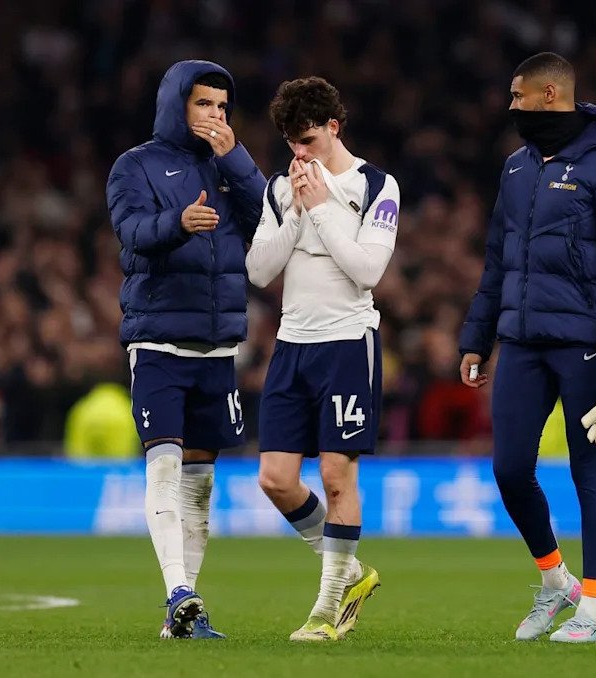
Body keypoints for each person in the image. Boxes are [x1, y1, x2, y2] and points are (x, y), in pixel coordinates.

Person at [459, 52, 596, 643]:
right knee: (510, 468)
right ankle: (554, 581)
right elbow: (498, 261)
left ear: (549, 95)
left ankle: (590, 610)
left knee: (588, 468)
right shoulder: (517, 168)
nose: (510, 106)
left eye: (517, 96)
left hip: (588, 347)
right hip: (520, 341)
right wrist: (478, 337)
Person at [106, 60, 266, 640]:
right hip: (158, 341)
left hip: (218, 347)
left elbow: (268, 221)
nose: (215, 117)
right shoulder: (135, 166)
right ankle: (178, 590)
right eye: (204, 105)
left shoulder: (228, 166)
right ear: (177, 104)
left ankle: (187, 609)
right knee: (165, 464)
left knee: (201, 482)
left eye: (223, 108)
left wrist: (238, 159)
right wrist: (178, 221)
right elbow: (132, 233)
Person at [246, 77, 399, 642]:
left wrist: (322, 207)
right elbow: (259, 271)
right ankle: (349, 568)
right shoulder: (279, 188)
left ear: (335, 126)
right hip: (292, 344)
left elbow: (367, 272)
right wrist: (295, 215)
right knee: (276, 479)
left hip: (347, 343)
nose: (300, 154)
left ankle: (328, 605)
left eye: (308, 139)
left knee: (336, 474)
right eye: (291, 142)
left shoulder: (378, 185)